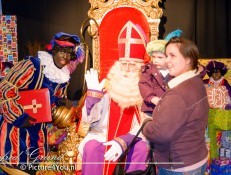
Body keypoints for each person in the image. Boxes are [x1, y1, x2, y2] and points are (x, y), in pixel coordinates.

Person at [0, 32, 84, 173]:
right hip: (17, 130)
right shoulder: (32, 65)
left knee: (35, 169)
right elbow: (4, 90)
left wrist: (59, 102)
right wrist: (19, 117)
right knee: (12, 169)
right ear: (54, 50)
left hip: (39, 132)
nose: (65, 57)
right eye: (62, 51)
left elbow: (50, 105)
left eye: (69, 54)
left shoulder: (63, 78)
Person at [77, 21, 149, 175]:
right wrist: (92, 97)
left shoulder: (147, 90)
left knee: (141, 148)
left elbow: (147, 123)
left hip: (133, 138)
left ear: (140, 66)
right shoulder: (105, 86)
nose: (128, 68)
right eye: (124, 63)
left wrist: (124, 141)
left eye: (133, 63)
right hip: (102, 136)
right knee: (91, 147)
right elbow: (89, 122)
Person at [142, 36, 209, 175]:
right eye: (166, 55)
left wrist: (145, 124)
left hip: (178, 165)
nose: (167, 60)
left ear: (188, 59)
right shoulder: (196, 82)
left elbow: (160, 134)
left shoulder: (178, 93)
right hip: (196, 159)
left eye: (172, 55)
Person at [138, 30, 182, 116]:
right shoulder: (148, 69)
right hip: (151, 108)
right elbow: (143, 84)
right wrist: (151, 98)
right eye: (153, 57)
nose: (155, 60)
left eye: (160, 57)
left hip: (171, 108)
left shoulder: (175, 70)